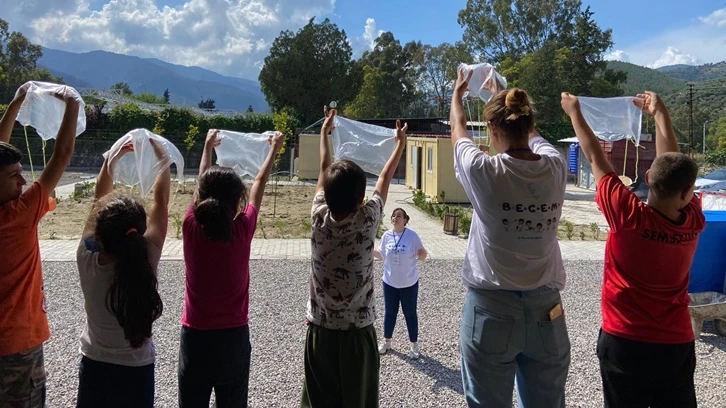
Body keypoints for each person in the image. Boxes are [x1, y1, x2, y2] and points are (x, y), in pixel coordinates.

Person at [562, 91, 704, 408]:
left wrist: (574, 112)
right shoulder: (692, 220)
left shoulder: (628, 216)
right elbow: (673, 166)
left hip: (624, 340)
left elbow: (595, 156)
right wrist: (660, 113)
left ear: (648, 176)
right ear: (687, 194)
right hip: (674, 342)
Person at [450, 70, 570, 407]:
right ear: (528, 123)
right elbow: (534, 138)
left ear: (491, 129)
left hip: (491, 309)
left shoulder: (484, 171)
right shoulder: (556, 167)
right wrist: (502, 94)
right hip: (547, 308)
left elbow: (458, 129)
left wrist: (457, 97)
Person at [301, 107, 406, 407]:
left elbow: (324, 169)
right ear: (361, 200)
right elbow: (384, 179)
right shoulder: (368, 220)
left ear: (326, 196)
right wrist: (399, 144)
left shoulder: (317, 215)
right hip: (357, 334)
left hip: (320, 331)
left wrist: (324, 132)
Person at [178, 129, 284, 407]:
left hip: (195, 337)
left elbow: (199, 186)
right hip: (233, 338)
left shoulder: (190, 226)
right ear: (238, 202)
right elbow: (259, 183)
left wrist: (206, 147)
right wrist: (273, 149)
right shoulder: (242, 229)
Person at [75, 139, 170, 407]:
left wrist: (111, 161)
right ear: (138, 233)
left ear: (100, 235)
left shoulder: (86, 259)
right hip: (136, 369)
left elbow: (97, 201)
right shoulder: (147, 257)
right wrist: (163, 162)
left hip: (95, 365)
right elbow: (161, 203)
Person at [0, 84, 79, 407]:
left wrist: (16, 104)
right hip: (19, 343)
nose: (23, 182)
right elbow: (62, 154)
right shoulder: (18, 215)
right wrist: (73, 104)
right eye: (14, 176)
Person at [374, 208, 427, 359]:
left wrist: (423, 254)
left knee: (410, 314)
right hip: (389, 283)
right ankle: (387, 341)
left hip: (409, 284)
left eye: (399, 216)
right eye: (393, 215)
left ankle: (414, 345)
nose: (395, 218)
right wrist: (368, 249)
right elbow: (381, 255)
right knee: (390, 313)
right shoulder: (386, 236)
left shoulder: (412, 236)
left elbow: (422, 254)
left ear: (405, 220)